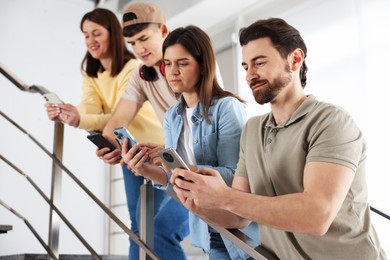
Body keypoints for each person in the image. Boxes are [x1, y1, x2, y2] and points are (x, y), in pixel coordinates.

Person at [171, 18, 387, 259]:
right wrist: (200, 203)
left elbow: (317, 215)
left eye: (259, 63)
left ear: (295, 60)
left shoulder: (331, 122)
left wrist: (225, 196)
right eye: (245, 67)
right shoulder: (253, 130)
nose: (250, 75)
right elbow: (238, 217)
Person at [121, 25, 259, 260]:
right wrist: (145, 168)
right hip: (206, 228)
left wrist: (180, 165)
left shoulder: (226, 108)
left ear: (203, 65)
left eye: (182, 63)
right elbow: (175, 181)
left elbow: (235, 176)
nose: (172, 71)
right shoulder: (172, 116)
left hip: (237, 227)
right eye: (168, 63)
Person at [44, 8, 171, 260]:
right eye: (85, 35)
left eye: (96, 33)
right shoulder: (97, 74)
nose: (90, 40)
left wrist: (80, 118)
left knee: (156, 229)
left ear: (112, 35)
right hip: (129, 152)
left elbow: (112, 116)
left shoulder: (135, 68)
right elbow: (100, 114)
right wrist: (70, 114)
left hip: (159, 149)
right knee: (138, 228)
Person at [97, 3, 189, 259]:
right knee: (145, 229)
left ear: (163, 30)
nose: (139, 49)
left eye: (144, 39)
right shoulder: (142, 75)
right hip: (173, 163)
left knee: (159, 230)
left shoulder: (192, 64)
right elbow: (117, 120)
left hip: (207, 166)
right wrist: (108, 145)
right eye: (133, 43)